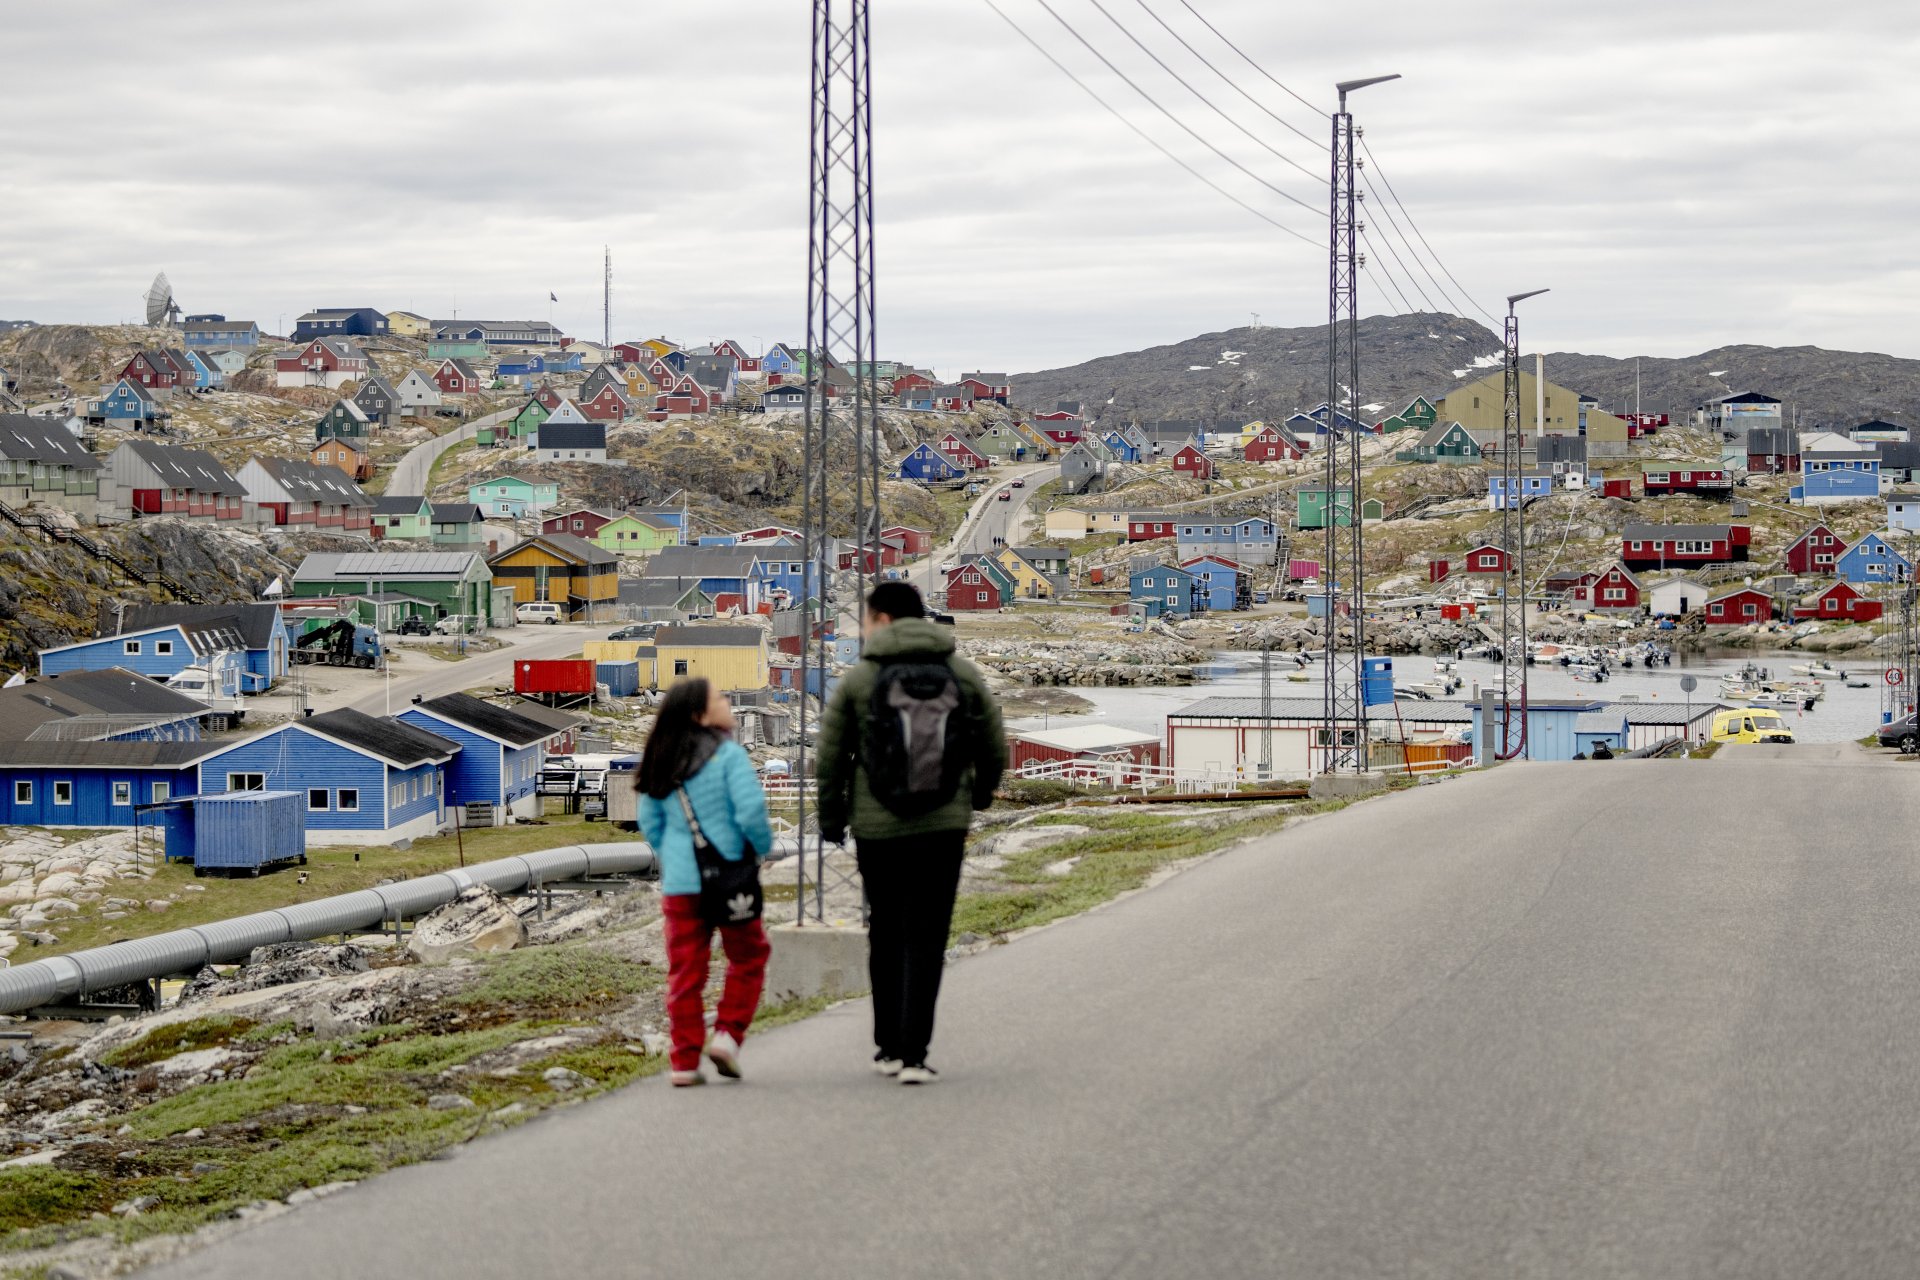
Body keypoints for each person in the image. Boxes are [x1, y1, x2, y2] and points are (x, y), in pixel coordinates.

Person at [817, 581, 1006, 1085]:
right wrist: (979, 796)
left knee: (886, 930)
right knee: (927, 934)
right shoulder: (961, 672)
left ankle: (886, 1048)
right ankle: (915, 1054)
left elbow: (829, 758)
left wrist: (833, 818)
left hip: (878, 829)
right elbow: (994, 745)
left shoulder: (860, 680)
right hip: (943, 825)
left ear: (880, 620)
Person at [638, 677, 774, 1087]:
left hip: (682, 885)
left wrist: (679, 857)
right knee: (749, 957)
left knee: (685, 972)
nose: (728, 700)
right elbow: (751, 812)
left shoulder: (660, 757)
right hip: (730, 877)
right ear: (701, 715)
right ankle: (728, 1036)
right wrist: (757, 851)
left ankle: (683, 1062)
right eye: (719, 697)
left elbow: (651, 825)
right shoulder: (728, 755)